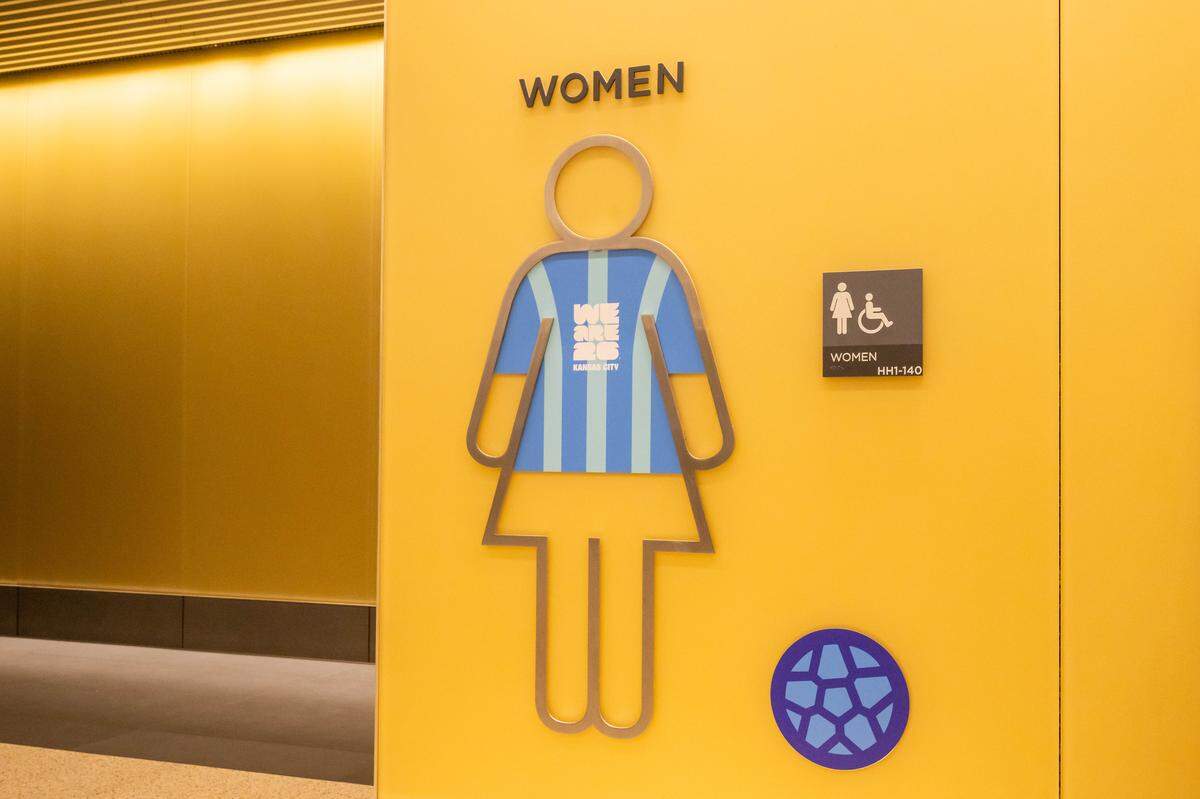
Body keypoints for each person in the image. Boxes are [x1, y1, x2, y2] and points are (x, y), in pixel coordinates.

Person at [466, 135, 734, 739]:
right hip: (648, 465)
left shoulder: (543, 274)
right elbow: (690, 371)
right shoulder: (655, 272)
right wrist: (707, 444)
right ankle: (611, 708)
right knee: (620, 566)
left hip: (546, 463)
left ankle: (574, 705)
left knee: (569, 567)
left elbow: (504, 378)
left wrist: (490, 443)